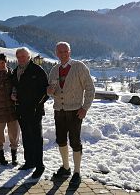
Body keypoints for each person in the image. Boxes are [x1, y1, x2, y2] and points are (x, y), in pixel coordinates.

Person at [47, 42, 95, 187]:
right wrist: (49, 91)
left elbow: (90, 89)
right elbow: (52, 90)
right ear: (56, 53)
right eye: (60, 52)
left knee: (75, 141)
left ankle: (77, 172)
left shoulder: (79, 67)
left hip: (75, 111)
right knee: (61, 140)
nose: (63, 54)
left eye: (65, 51)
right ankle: (66, 167)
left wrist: (85, 108)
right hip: (59, 111)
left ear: (70, 51)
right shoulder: (54, 70)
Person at [11, 47, 48, 179]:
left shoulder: (37, 70)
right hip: (21, 110)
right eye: (18, 57)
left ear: (29, 57)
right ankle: (29, 161)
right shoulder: (16, 71)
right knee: (26, 137)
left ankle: (40, 166)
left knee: (36, 139)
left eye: (23, 56)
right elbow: (14, 87)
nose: (21, 59)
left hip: (34, 111)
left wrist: (36, 106)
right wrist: (13, 95)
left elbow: (46, 92)